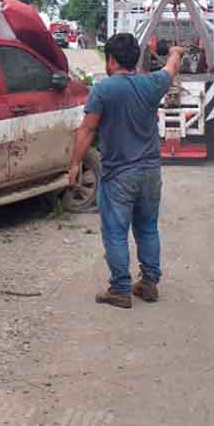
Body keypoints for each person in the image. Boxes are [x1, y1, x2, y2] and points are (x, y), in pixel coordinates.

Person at [68, 33, 185, 309]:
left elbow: (87, 130)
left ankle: (120, 289)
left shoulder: (104, 89)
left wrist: (75, 164)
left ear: (110, 60)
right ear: (135, 58)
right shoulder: (153, 83)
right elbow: (171, 67)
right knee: (147, 227)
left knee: (116, 231)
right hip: (150, 172)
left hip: (119, 173)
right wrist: (176, 53)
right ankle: (149, 284)